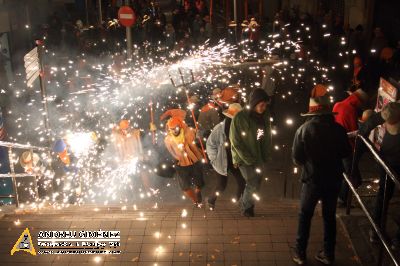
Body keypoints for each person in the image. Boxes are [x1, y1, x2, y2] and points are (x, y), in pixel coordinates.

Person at [291, 86, 351, 265]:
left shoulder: (303, 130)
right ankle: (328, 254)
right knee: (329, 216)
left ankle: (300, 253)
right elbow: (346, 152)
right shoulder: (339, 129)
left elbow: (297, 158)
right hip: (333, 179)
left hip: (312, 179)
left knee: (305, 215)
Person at [359, 102, 400, 250]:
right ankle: (397, 240)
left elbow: (368, 124)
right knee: (383, 195)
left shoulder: (388, 115)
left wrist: (360, 141)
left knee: (383, 195)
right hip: (392, 162)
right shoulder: (394, 114)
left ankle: (375, 232)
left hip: (386, 161)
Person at [230, 88, 272, 217]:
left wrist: (265, 154)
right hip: (243, 158)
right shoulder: (239, 117)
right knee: (252, 180)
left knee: (257, 181)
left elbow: (265, 136)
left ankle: (246, 203)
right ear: (254, 103)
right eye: (261, 105)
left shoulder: (264, 116)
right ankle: (246, 207)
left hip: (258, 155)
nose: (263, 108)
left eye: (265, 105)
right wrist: (247, 158)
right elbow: (235, 141)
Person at [206, 103, 246, 210]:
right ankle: (211, 200)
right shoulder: (219, 129)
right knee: (221, 186)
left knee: (242, 181)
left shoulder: (240, 127)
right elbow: (210, 144)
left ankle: (237, 200)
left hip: (234, 160)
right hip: (221, 160)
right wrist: (213, 158)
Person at [333, 88, 369, 203]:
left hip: (336, 145)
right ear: (358, 101)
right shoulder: (351, 110)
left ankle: (341, 198)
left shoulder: (337, 105)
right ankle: (342, 200)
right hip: (347, 147)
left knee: (344, 173)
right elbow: (354, 131)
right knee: (352, 176)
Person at [164, 115, 205, 207]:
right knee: (185, 186)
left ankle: (198, 191)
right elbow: (171, 152)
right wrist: (177, 158)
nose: (174, 130)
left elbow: (198, 136)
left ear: (180, 125)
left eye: (176, 127)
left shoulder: (189, 131)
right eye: (172, 129)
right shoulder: (168, 139)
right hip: (181, 164)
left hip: (194, 160)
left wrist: (199, 134)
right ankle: (195, 200)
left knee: (199, 182)